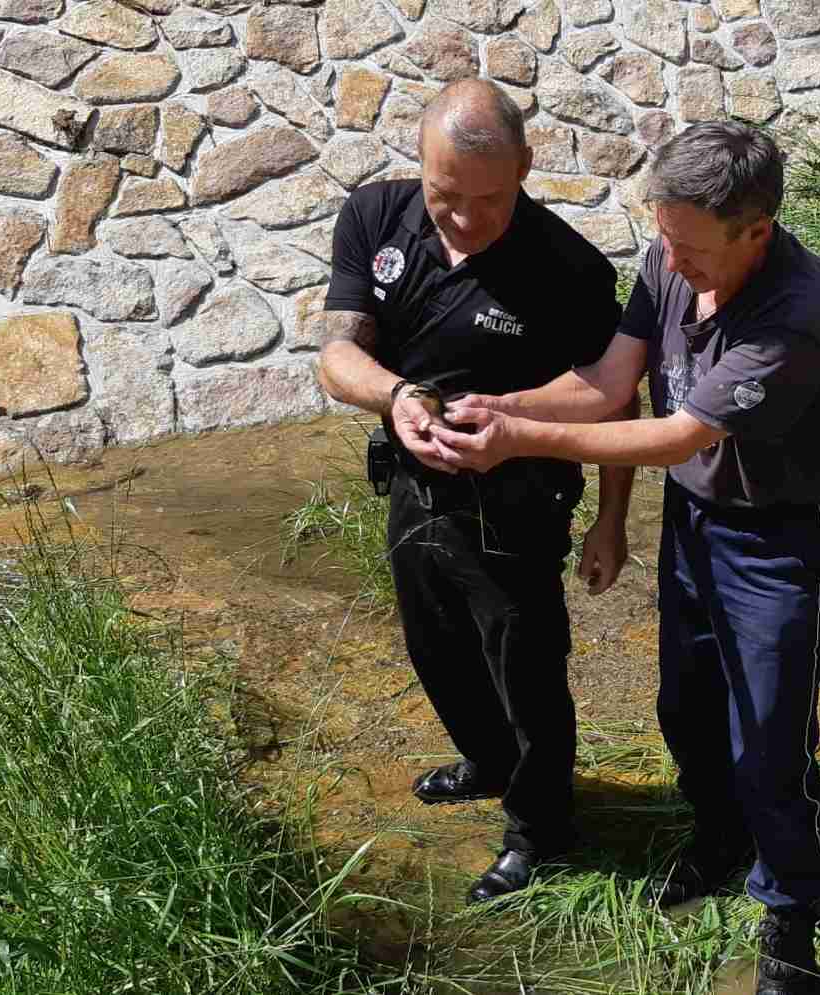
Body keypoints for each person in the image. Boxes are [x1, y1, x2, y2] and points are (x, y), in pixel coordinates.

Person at [422, 121, 820, 995]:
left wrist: (519, 441)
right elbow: (611, 384)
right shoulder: (671, 255)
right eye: (665, 238)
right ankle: (720, 834)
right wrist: (500, 407)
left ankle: (792, 909)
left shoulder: (798, 310)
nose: (672, 262)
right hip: (694, 516)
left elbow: (677, 433)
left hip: (776, 534)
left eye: (691, 249)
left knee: (770, 732)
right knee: (685, 706)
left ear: (756, 230)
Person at [314, 78, 636, 906]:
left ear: (525, 167)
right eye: (444, 195)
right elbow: (338, 356)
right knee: (437, 646)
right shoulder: (376, 217)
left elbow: (612, 396)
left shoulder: (568, 267)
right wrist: (396, 397)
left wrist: (610, 520)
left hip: (519, 501)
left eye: (487, 200)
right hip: (414, 482)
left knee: (525, 667)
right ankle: (489, 762)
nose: (462, 218)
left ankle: (541, 829)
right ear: (420, 163)